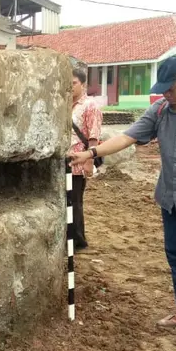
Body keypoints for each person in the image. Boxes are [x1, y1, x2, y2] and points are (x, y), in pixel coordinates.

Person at [68, 56, 176, 346]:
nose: (167, 95)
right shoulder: (160, 111)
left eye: (172, 89)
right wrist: (90, 154)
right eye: (164, 90)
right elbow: (127, 137)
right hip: (170, 199)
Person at [70, 68, 103, 253]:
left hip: (79, 162)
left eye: (74, 83)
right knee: (65, 201)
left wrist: (89, 161)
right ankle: (69, 238)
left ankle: (78, 241)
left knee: (75, 202)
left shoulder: (90, 106)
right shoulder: (65, 104)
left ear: (83, 85)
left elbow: (93, 135)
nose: (70, 86)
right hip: (64, 163)